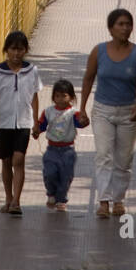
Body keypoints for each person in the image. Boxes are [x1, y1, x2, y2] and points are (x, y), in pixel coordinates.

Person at [80, 8, 136, 219]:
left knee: (123, 159)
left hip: (129, 111)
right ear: (110, 28)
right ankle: (103, 201)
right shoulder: (98, 51)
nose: (125, 28)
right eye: (120, 24)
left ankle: (119, 200)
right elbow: (88, 78)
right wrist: (81, 108)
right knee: (103, 155)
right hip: (103, 111)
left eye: (128, 24)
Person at [0, 30, 42, 216]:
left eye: (20, 50)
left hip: (23, 122)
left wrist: (36, 121)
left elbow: (35, 96)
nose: (16, 54)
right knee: (6, 161)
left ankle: (16, 201)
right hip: (3, 122)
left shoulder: (31, 71)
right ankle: (8, 198)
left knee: (19, 160)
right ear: (6, 50)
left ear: (26, 50)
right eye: (13, 49)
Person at [33, 79, 89, 210]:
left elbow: (80, 123)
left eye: (64, 96)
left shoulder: (73, 113)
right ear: (53, 97)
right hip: (52, 149)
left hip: (68, 150)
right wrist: (36, 131)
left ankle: (61, 199)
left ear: (71, 97)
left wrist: (84, 121)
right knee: (50, 173)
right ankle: (51, 193)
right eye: (57, 96)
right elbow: (41, 125)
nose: (60, 99)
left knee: (66, 175)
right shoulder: (48, 112)